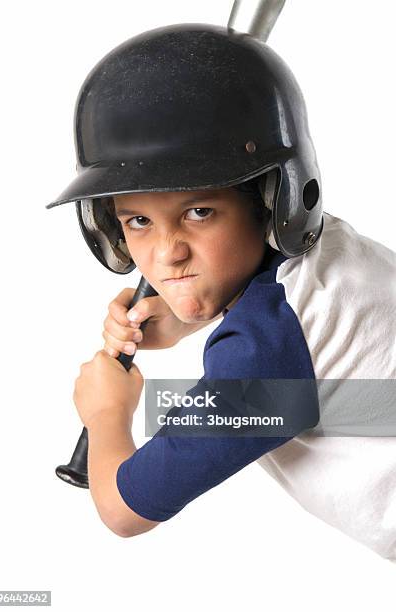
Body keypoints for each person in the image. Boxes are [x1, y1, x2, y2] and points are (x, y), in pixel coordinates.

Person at [47, 24, 396, 560]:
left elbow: (124, 510)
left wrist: (106, 416)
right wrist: (186, 315)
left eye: (199, 212)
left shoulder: (263, 358)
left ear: (269, 198)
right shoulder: (325, 256)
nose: (167, 255)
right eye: (138, 220)